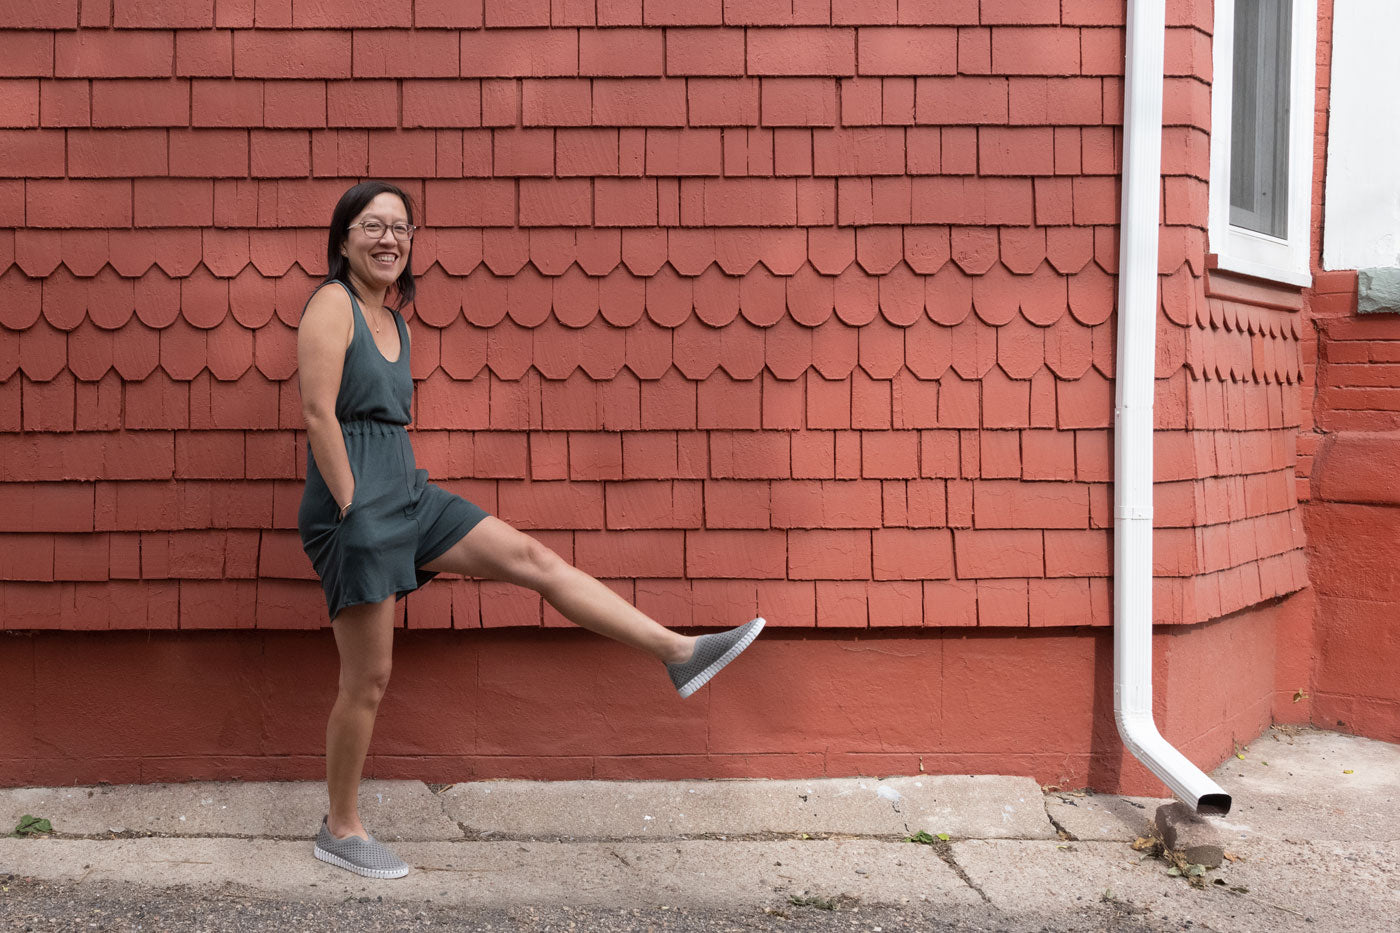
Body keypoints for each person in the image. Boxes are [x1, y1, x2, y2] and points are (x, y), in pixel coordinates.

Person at [295, 181, 764, 880]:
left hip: (406, 486)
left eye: (400, 226)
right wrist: (354, 503)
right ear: (343, 240)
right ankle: (341, 826)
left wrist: (387, 496)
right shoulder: (333, 305)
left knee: (530, 556)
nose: (388, 238)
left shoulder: (396, 322)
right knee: (369, 677)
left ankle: (679, 651)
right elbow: (317, 412)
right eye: (372, 226)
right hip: (354, 500)